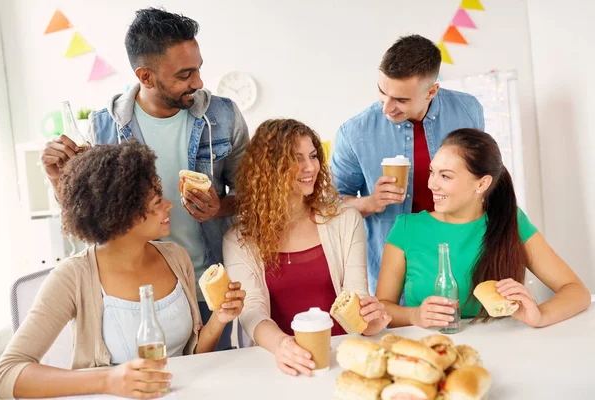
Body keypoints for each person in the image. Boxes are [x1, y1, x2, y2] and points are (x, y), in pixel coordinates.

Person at [39, 8, 249, 350]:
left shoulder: (223, 116)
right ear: (146, 76)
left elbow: (255, 197)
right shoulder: (104, 127)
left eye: (198, 68)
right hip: (136, 295)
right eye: (185, 74)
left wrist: (219, 207)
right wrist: (56, 180)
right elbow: (90, 216)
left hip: (208, 284)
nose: (198, 83)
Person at [0, 140, 245, 399]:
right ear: (121, 211)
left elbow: (189, 358)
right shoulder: (73, 276)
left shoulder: (175, 257)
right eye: (158, 200)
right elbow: (6, 375)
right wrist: (108, 380)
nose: (169, 205)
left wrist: (220, 318)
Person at [224, 119, 391, 377]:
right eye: (297, 158)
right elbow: (251, 310)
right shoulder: (240, 238)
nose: (310, 167)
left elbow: (355, 297)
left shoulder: (345, 219)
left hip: (340, 357)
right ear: (269, 168)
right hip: (279, 362)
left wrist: (371, 322)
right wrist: (283, 346)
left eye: (313, 156)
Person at [376, 128, 591, 328]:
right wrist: (415, 316)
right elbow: (382, 307)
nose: (432, 184)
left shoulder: (509, 220)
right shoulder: (407, 228)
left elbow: (576, 291)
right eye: (432, 172)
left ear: (482, 184)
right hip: (432, 351)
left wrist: (539, 316)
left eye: (445, 176)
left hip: (505, 349)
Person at [331, 35, 484, 294]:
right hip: (394, 272)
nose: (387, 108)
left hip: (463, 255)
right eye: (382, 92)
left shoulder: (468, 110)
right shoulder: (354, 132)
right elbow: (329, 207)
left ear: (431, 91)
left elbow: (483, 175)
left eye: (401, 100)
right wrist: (369, 202)